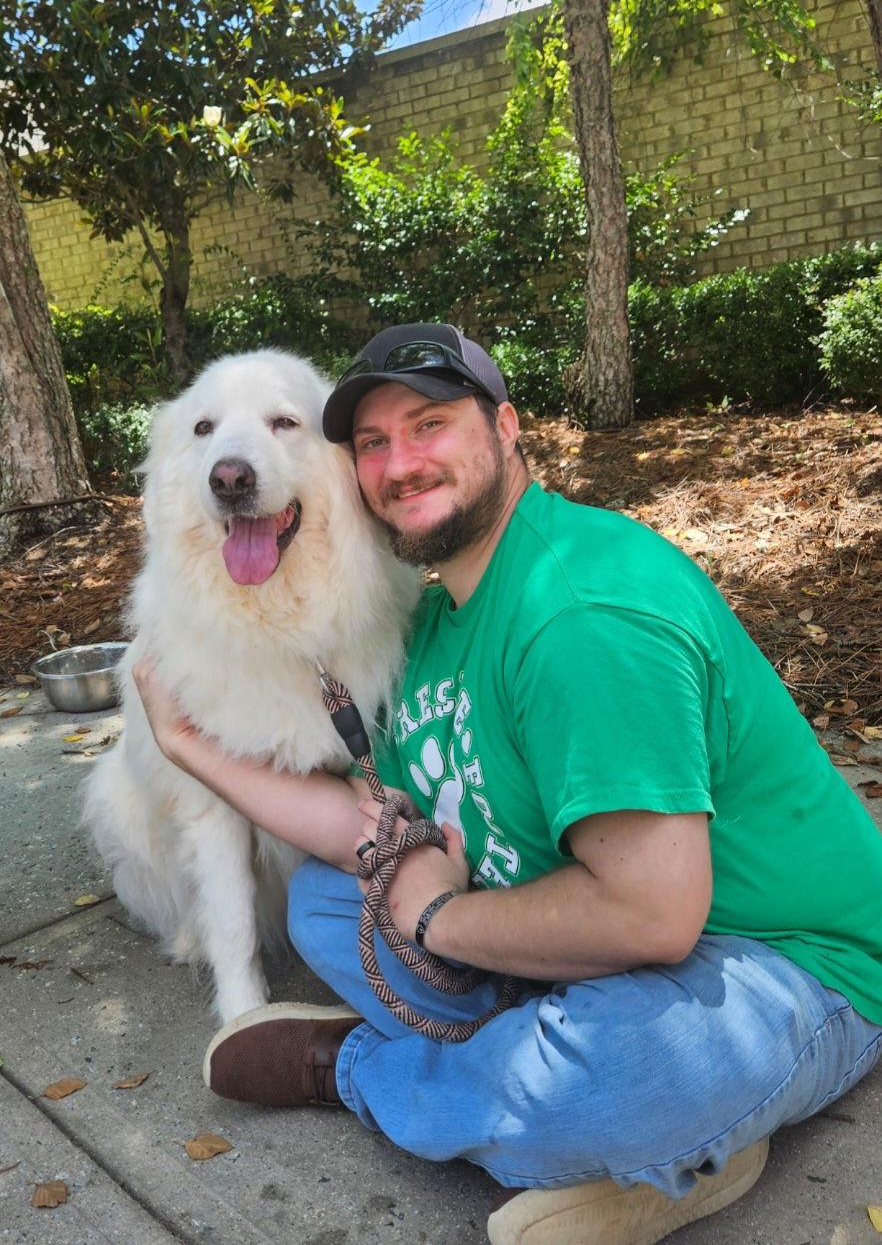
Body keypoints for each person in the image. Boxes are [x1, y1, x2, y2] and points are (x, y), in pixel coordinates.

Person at [135, 323, 882, 1245]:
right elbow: (370, 825)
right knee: (326, 901)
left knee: (622, 1073)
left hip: (783, 961)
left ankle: (361, 1073)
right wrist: (191, 746)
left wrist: (438, 921)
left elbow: (654, 918)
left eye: (430, 425)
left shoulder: (581, 612)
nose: (401, 463)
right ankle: (670, 1143)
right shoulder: (446, 613)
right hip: (586, 940)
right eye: (373, 443)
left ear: (506, 427)